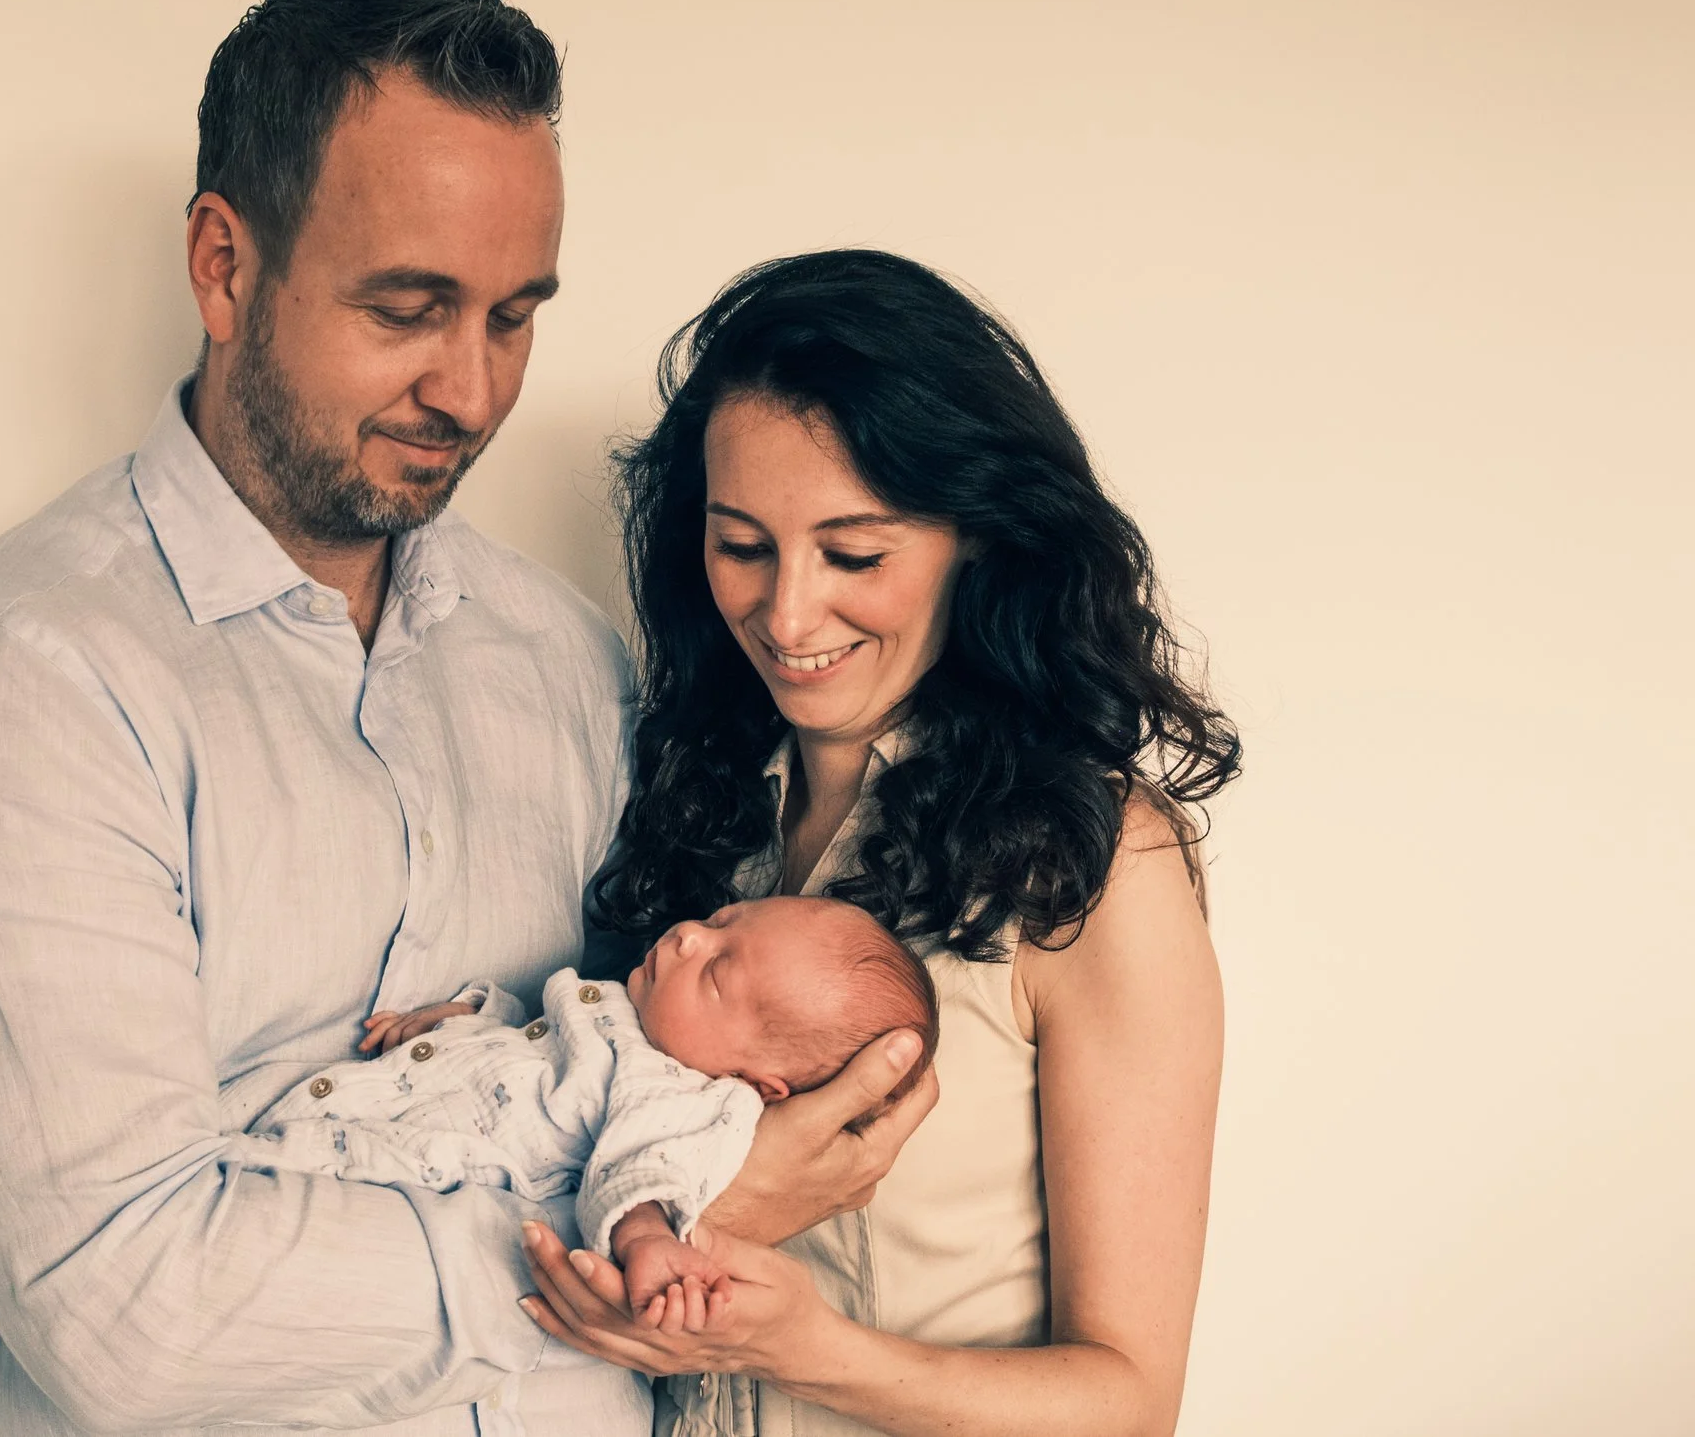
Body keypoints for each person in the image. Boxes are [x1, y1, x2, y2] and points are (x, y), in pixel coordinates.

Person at [0, 0, 930, 1437]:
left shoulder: (562, 657)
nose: (470, 392)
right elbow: (130, 1312)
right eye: (409, 309)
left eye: (515, 316)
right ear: (224, 264)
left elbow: (650, 1052)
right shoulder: (28, 685)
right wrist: (652, 1211)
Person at [521, 250, 1242, 1437]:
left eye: (854, 553)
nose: (787, 613)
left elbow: (1128, 1401)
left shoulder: (1096, 864)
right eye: (741, 544)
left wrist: (818, 1352)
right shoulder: (688, 820)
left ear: (977, 537)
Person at [228, 896, 939, 1335]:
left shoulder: (690, 1099)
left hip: (427, 1160)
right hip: (396, 1092)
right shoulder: (637, 1014)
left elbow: (642, 1170)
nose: (690, 936)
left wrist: (649, 1243)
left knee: (266, 1197)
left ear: (760, 1082)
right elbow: (544, 1043)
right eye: (723, 919)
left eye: (718, 970)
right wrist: (464, 1017)